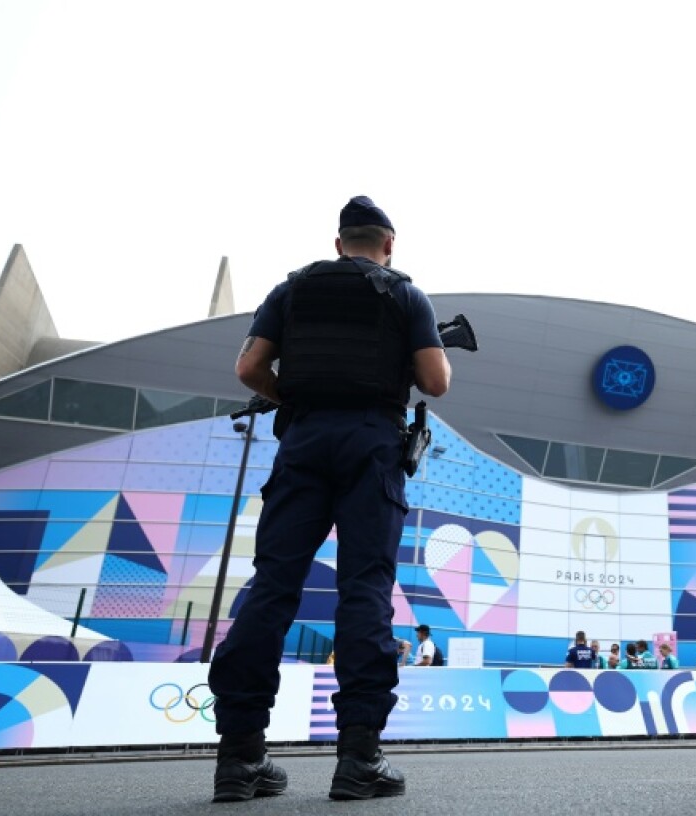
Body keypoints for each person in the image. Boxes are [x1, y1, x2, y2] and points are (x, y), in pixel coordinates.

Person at [207, 195, 451, 803]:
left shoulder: (290, 291)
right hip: (371, 444)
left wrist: (292, 395)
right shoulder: (405, 294)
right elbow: (437, 381)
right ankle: (359, 758)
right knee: (364, 588)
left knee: (272, 586)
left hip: (304, 440)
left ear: (338, 242)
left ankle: (240, 758)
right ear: (388, 245)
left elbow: (248, 369)